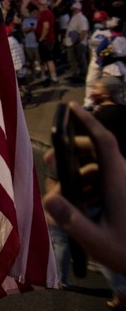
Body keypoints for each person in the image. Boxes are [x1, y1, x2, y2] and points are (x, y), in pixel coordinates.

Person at [44, 103, 126, 282]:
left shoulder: (77, 153)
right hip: (95, 208)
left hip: (83, 209)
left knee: (62, 243)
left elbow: (52, 178)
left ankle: (60, 279)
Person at [64, 1, 89, 83]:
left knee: (80, 59)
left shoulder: (81, 18)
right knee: (72, 59)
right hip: (72, 42)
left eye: (74, 8)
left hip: (78, 43)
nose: (72, 10)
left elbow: (84, 31)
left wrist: (78, 41)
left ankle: (83, 75)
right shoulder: (74, 17)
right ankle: (75, 74)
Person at [35, 0, 58, 85]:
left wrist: (41, 37)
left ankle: (50, 76)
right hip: (50, 39)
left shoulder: (44, 14)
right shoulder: (50, 13)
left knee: (47, 59)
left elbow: (46, 26)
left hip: (45, 41)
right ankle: (50, 76)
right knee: (48, 59)